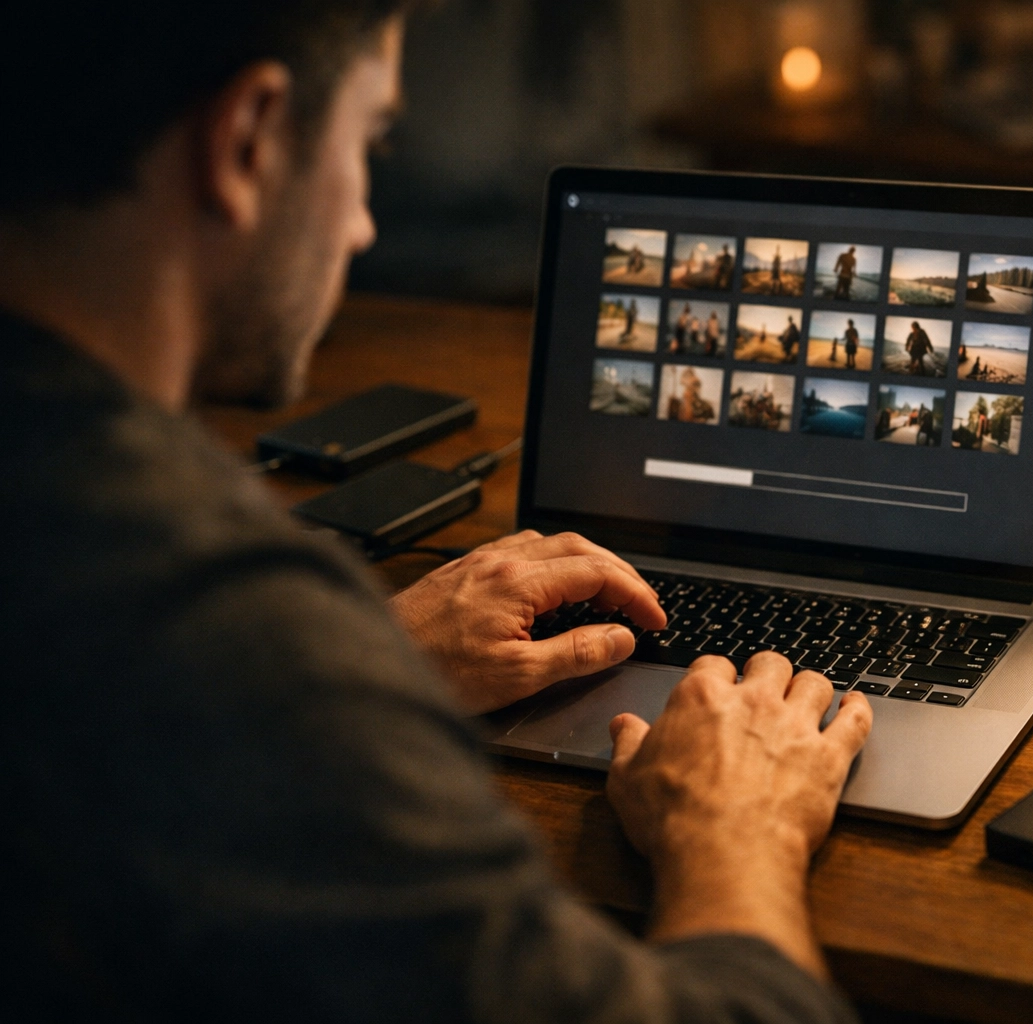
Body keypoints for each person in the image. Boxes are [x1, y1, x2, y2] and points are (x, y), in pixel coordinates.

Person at [0, 4, 872, 1021]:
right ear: (246, 141)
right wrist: (737, 830)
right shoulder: (203, 618)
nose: (364, 222)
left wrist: (377, 657)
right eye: (369, 140)